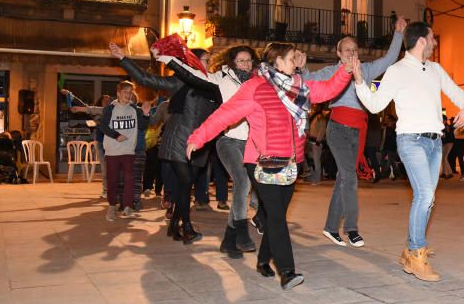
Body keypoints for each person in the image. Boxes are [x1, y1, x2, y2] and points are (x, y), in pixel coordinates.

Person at [187, 43, 354, 289]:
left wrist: (346, 71)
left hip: (291, 163)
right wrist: (197, 138)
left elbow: (328, 90)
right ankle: (287, 272)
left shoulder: (299, 85)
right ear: (277, 61)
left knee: (273, 216)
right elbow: (225, 114)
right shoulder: (255, 87)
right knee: (276, 217)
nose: (295, 60)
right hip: (261, 163)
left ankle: (264, 259)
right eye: (290, 57)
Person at [352, 21, 464, 282]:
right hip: (410, 141)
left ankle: (409, 251)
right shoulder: (397, 71)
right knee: (425, 194)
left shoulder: (436, 70)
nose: (435, 43)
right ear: (421, 41)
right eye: (433, 39)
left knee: (427, 199)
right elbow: (374, 105)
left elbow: (456, 92)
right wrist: (360, 81)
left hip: (434, 142)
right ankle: (417, 254)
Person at [303, 18, 406, 247]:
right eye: (347, 50)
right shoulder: (330, 71)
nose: (352, 53)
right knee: (349, 178)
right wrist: (301, 66)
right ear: (339, 54)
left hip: (359, 130)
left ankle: (331, 228)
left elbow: (390, 59)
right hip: (338, 128)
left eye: (355, 49)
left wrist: (398, 33)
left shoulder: (367, 69)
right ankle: (351, 229)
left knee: (343, 178)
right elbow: (308, 80)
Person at [110, 39, 219, 244]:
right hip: (179, 140)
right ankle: (186, 227)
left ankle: (173, 225)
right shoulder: (180, 81)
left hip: (201, 143)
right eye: (205, 60)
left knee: (186, 186)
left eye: (209, 60)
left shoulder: (212, 84)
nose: (208, 63)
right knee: (185, 182)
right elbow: (147, 79)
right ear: (194, 61)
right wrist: (124, 59)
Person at [207, 45, 260, 258]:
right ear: (232, 62)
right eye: (241, 61)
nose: (246, 64)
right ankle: (241, 232)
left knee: (245, 187)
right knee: (242, 182)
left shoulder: (257, 82)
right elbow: (194, 74)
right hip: (227, 140)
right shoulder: (221, 78)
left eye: (249, 60)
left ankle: (229, 241)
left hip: (250, 143)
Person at [98, 80, 150, 221]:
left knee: (129, 179)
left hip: (128, 150)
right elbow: (103, 126)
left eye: (130, 92)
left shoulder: (135, 109)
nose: (128, 95)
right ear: (118, 93)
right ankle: (111, 207)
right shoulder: (110, 108)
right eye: (125, 92)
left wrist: (145, 114)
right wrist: (116, 135)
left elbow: (143, 126)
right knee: (113, 179)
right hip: (112, 150)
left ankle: (128, 206)